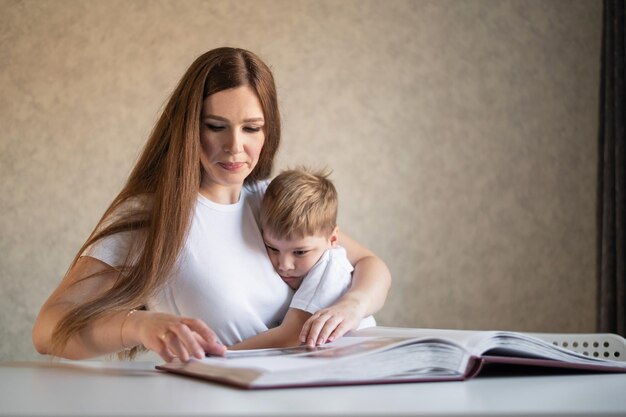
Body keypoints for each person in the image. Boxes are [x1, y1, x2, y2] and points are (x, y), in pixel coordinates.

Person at [32, 47, 391, 363]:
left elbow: (370, 265)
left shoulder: (269, 198)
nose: (235, 146)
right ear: (189, 128)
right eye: (216, 126)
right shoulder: (150, 216)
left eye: (252, 128)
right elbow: (48, 330)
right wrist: (138, 326)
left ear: (269, 131)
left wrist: (352, 305)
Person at [230, 168, 376, 350]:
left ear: (332, 239)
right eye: (273, 248)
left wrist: (220, 356)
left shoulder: (329, 269)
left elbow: (289, 337)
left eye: (299, 252)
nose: (284, 265)